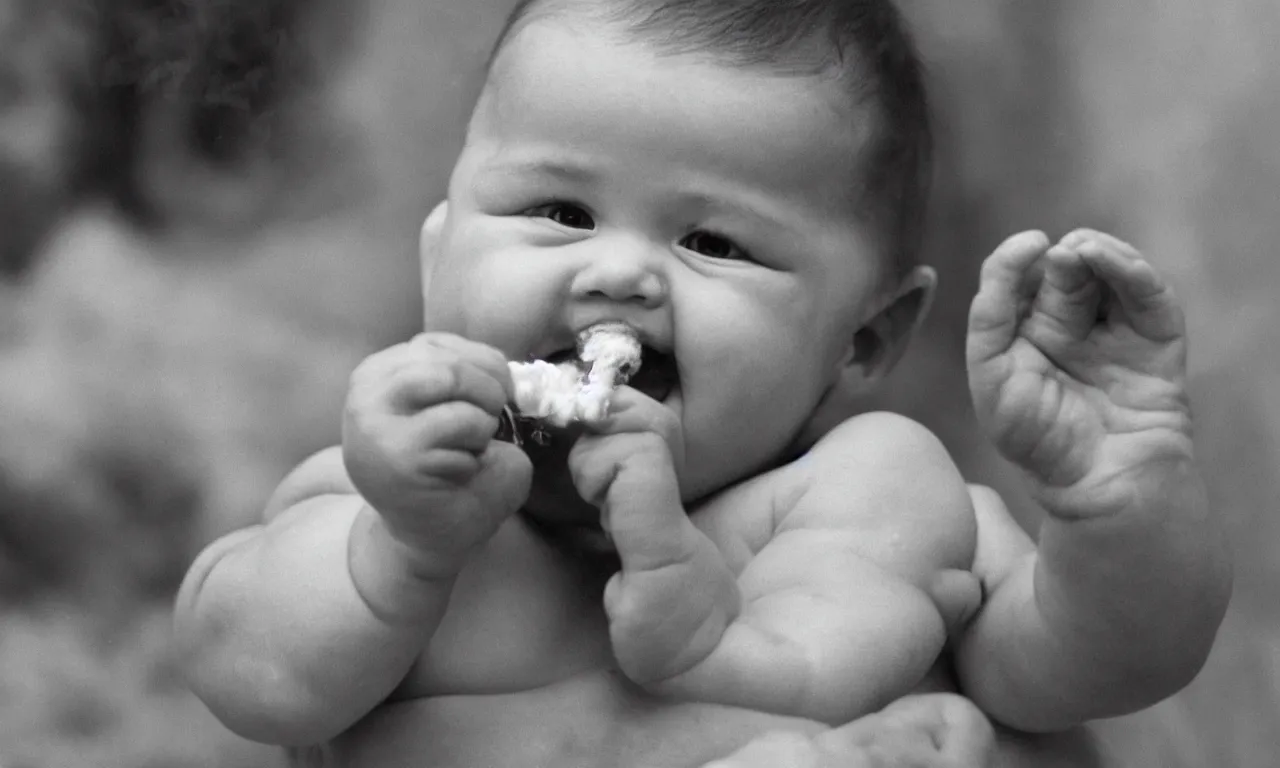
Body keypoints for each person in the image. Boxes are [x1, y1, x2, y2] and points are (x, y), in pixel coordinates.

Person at [173, 1, 1232, 765]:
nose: (621, 271)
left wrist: (1116, 500)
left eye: (713, 240)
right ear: (436, 259)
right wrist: (398, 553)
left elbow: (1094, 669)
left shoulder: (890, 515)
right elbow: (249, 680)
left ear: (861, 341)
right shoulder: (383, 505)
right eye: (558, 211)